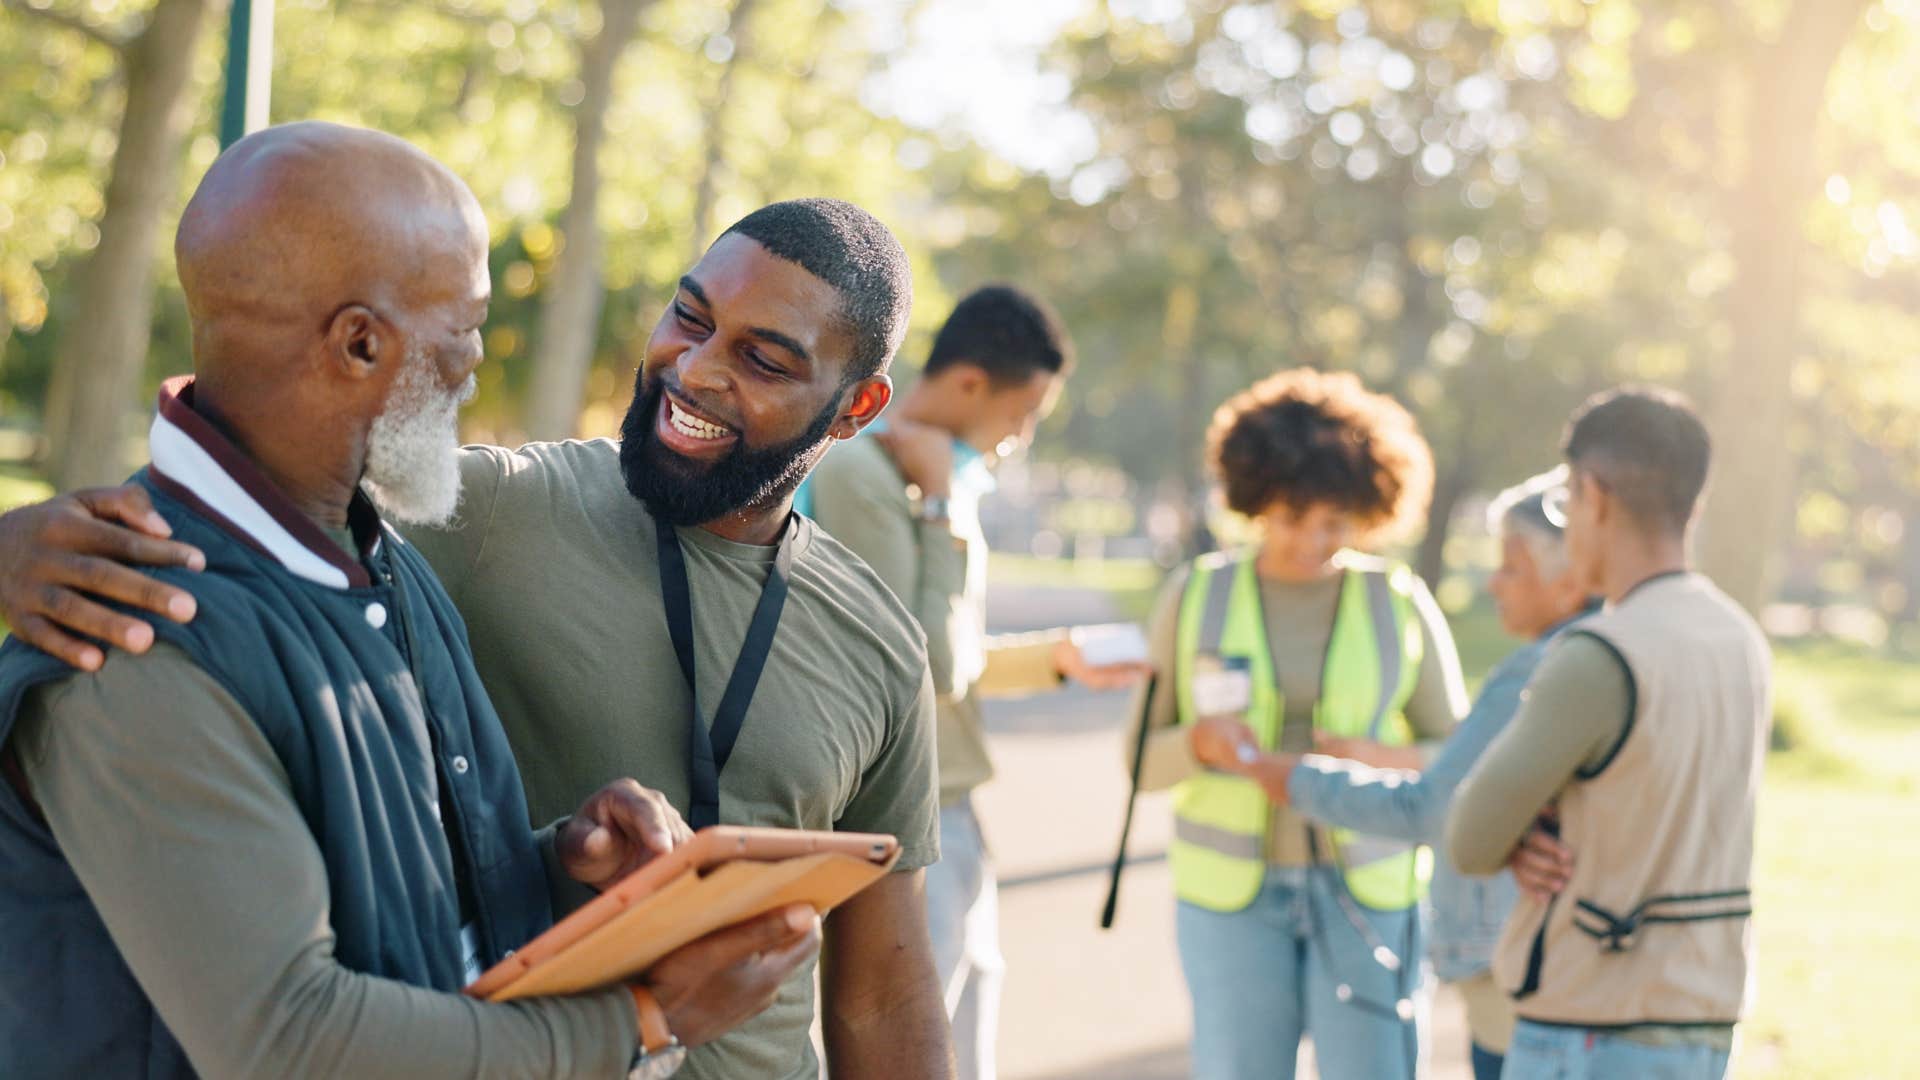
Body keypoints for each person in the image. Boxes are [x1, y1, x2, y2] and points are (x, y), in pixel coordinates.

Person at [0, 188, 953, 1075]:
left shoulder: (879, 644)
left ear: (857, 407)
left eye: (764, 359)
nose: (696, 369)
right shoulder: (492, 509)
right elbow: (243, 505)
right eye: (690, 317)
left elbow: (881, 993)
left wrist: (570, 863)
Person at [804, 284, 1148, 1080]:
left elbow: (936, 663)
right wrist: (944, 515)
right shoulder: (871, 471)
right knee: (920, 1051)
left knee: (965, 1037)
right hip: (906, 812)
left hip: (950, 805)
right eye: (1022, 413)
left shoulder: (926, 471)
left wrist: (1056, 660)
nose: (1021, 437)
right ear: (969, 385)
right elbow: (931, 663)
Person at [1130, 367, 1468, 1080]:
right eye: (1292, 517)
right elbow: (1137, 762)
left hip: (1370, 896)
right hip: (1232, 905)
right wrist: (1196, 743)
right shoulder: (1195, 595)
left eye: (1335, 523)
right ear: (1255, 503)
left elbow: (1461, 758)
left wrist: (1377, 755)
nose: (1313, 540)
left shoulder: (1399, 602)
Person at [1205, 468, 1596, 1079]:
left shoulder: (1531, 669)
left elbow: (1438, 804)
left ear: (1571, 580)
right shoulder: (1204, 593)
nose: (1493, 583)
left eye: (1510, 567)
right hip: (1241, 897)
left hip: (1504, 965)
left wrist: (1300, 779)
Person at [1444, 387, 1770, 1080]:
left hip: (1592, 1023)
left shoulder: (1599, 655)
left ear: (1592, 496)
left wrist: (1517, 840)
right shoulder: (1741, 638)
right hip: (1705, 1015)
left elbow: (1471, 836)